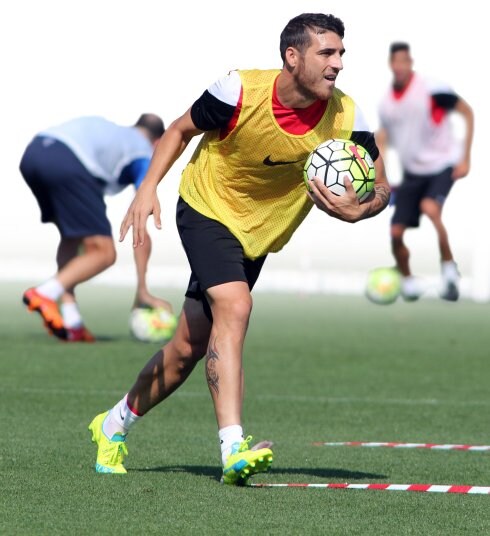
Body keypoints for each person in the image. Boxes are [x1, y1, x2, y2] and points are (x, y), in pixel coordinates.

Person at [88, 13, 391, 484]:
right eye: (326, 53)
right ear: (292, 57)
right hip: (206, 206)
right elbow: (178, 130)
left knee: (187, 348)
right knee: (236, 304)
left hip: (258, 234)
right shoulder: (238, 91)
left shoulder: (348, 116)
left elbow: (383, 187)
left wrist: (361, 209)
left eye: (341, 54)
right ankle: (233, 448)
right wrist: (148, 188)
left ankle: (111, 426)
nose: (338, 64)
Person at [20, 114, 172, 342]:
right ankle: (44, 293)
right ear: (158, 143)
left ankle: (72, 323)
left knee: (72, 236)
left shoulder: (116, 135)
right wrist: (142, 289)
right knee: (104, 253)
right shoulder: (142, 152)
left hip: (34, 153)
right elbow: (142, 223)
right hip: (67, 160)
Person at [376, 42, 474, 302]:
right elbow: (383, 136)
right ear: (391, 65)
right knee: (395, 233)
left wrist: (465, 158)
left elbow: (466, 112)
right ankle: (408, 282)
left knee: (431, 208)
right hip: (412, 173)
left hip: (442, 165)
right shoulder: (386, 103)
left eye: (405, 61)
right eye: (396, 62)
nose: (400, 67)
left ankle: (449, 268)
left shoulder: (432, 88)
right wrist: (381, 176)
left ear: (410, 63)